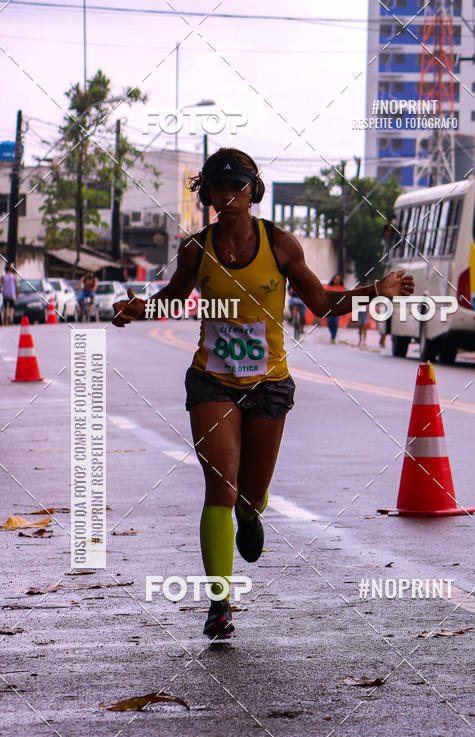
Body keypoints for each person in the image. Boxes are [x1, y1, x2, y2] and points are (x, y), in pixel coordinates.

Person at [112, 147, 415, 640]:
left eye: (238, 187)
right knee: (220, 486)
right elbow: (170, 298)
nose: (228, 197)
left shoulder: (281, 245)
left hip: (269, 384)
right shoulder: (197, 248)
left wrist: (373, 290)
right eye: (218, 187)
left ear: (253, 192)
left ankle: (252, 512)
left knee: (248, 494)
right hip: (212, 381)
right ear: (207, 193)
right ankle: (219, 604)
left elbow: (320, 302)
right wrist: (136, 309)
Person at [326, 274, 344, 342]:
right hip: (330, 308)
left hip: (338, 308)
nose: (337, 280)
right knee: (329, 323)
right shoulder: (329, 287)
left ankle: (333, 337)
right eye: (336, 279)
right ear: (333, 279)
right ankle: (332, 334)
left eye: (338, 279)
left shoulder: (341, 288)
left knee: (335, 323)